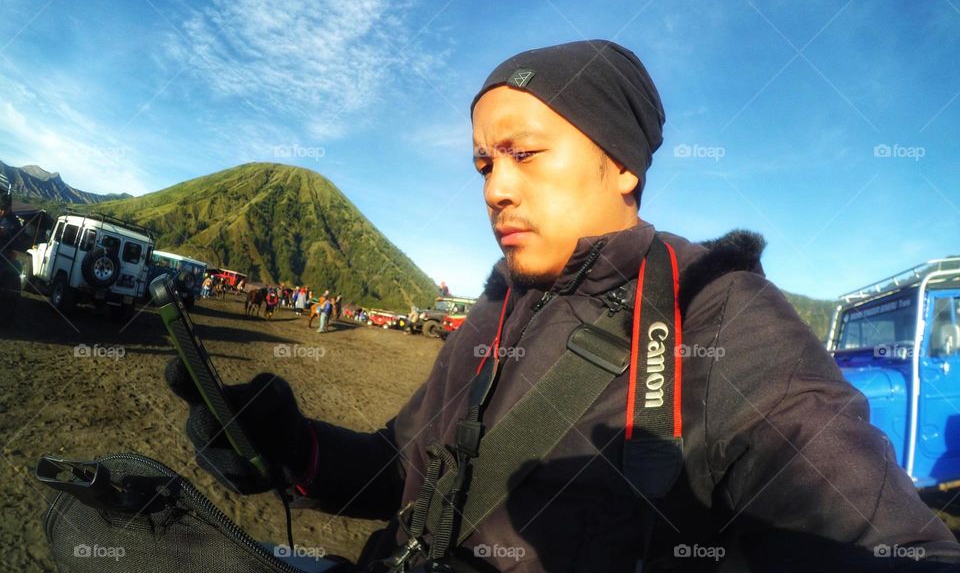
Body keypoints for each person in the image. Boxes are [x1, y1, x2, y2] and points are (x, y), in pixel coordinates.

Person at [166, 40, 960, 572]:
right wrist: (292, 445)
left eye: (524, 154)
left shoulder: (719, 316)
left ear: (621, 164)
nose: (494, 189)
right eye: (483, 163)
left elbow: (889, 543)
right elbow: (404, 470)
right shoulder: (499, 307)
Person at [0, 183, 23, 329]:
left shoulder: (13, 222)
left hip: (5, 255)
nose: (1, 211)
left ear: (8, 208)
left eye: (3, 209)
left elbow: (5, 232)